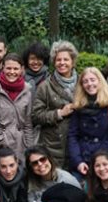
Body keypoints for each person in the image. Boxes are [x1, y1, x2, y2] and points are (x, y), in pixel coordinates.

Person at [67, 67, 108, 180]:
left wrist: (97, 162)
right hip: (82, 158)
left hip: (104, 161)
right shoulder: (79, 106)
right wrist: (78, 161)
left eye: (93, 80)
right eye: (85, 81)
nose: (89, 84)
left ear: (100, 81)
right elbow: (73, 135)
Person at [31, 41, 78, 170]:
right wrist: (59, 113)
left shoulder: (83, 83)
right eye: (58, 60)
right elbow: (35, 116)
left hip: (78, 143)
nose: (62, 63)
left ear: (73, 62)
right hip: (53, 146)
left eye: (66, 59)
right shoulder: (45, 86)